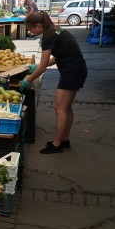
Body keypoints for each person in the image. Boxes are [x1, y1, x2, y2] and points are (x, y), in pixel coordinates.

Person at [20, 11, 88, 154]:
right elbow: (59, 56)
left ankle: (57, 145)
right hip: (77, 69)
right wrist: (36, 67)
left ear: (38, 25)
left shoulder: (48, 37)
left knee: (60, 108)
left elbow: (43, 66)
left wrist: (29, 79)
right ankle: (65, 140)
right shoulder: (57, 31)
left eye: (31, 28)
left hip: (71, 72)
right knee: (66, 107)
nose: (30, 31)